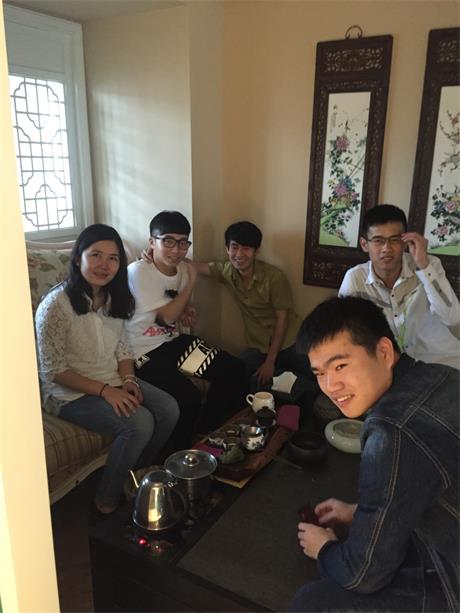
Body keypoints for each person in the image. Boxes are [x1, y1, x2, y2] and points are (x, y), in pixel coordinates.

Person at [289, 296, 459, 613]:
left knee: (311, 602)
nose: (330, 385)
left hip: (451, 572)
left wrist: (324, 548)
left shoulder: (392, 432)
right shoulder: (442, 376)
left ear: (383, 352)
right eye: (320, 372)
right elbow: (428, 480)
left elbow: (363, 574)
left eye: (340, 366)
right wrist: (360, 512)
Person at [35, 224, 179, 515]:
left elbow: (122, 347)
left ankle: (134, 479)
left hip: (110, 378)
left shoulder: (115, 298)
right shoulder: (56, 306)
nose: (104, 264)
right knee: (140, 423)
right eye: (96, 255)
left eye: (113, 258)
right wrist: (105, 391)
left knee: (168, 408)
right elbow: (52, 370)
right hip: (68, 394)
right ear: (78, 258)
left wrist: (129, 380)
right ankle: (106, 500)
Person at [125, 211, 248, 446]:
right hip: (143, 353)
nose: (176, 250)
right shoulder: (139, 271)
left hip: (172, 344)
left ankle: (210, 434)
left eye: (183, 243)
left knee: (234, 369)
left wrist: (186, 311)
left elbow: (171, 306)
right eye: (168, 241)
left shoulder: (182, 268)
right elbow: (164, 318)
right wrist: (191, 282)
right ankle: (177, 454)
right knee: (187, 397)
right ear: (152, 242)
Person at [190, 221, 315, 393]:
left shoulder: (274, 278)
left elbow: (282, 320)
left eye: (246, 248)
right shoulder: (227, 271)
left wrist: (270, 362)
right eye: (234, 247)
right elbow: (193, 266)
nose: (239, 254)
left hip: (290, 342)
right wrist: (157, 254)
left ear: (256, 251)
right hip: (258, 346)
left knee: (317, 379)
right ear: (227, 249)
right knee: (238, 376)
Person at [339, 204, 460, 369]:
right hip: (392, 369)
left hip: (441, 362)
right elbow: (344, 334)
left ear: (405, 243)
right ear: (364, 244)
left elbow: (452, 318)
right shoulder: (355, 279)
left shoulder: (429, 265)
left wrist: (424, 267)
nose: (386, 249)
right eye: (378, 241)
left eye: (395, 240)